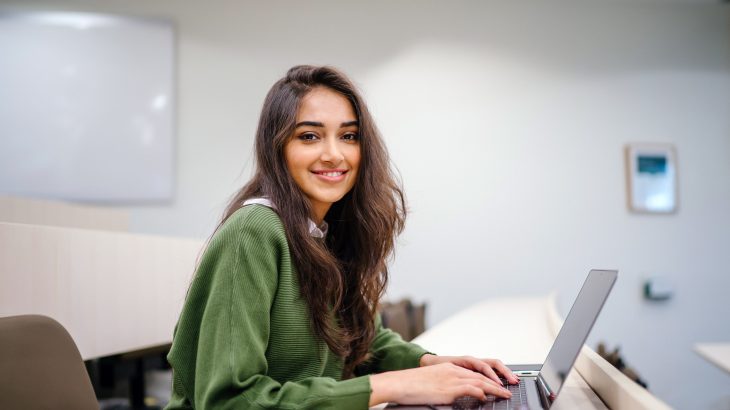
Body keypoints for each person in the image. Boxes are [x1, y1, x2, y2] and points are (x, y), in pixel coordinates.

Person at [166, 65, 518, 409]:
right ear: (278, 149)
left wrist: (429, 364)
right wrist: (391, 386)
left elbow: (360, 338)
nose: (334, 154)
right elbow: (229, 400)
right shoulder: (254, 231)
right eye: (309, 136)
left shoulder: (322, 230)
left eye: (349, 136)